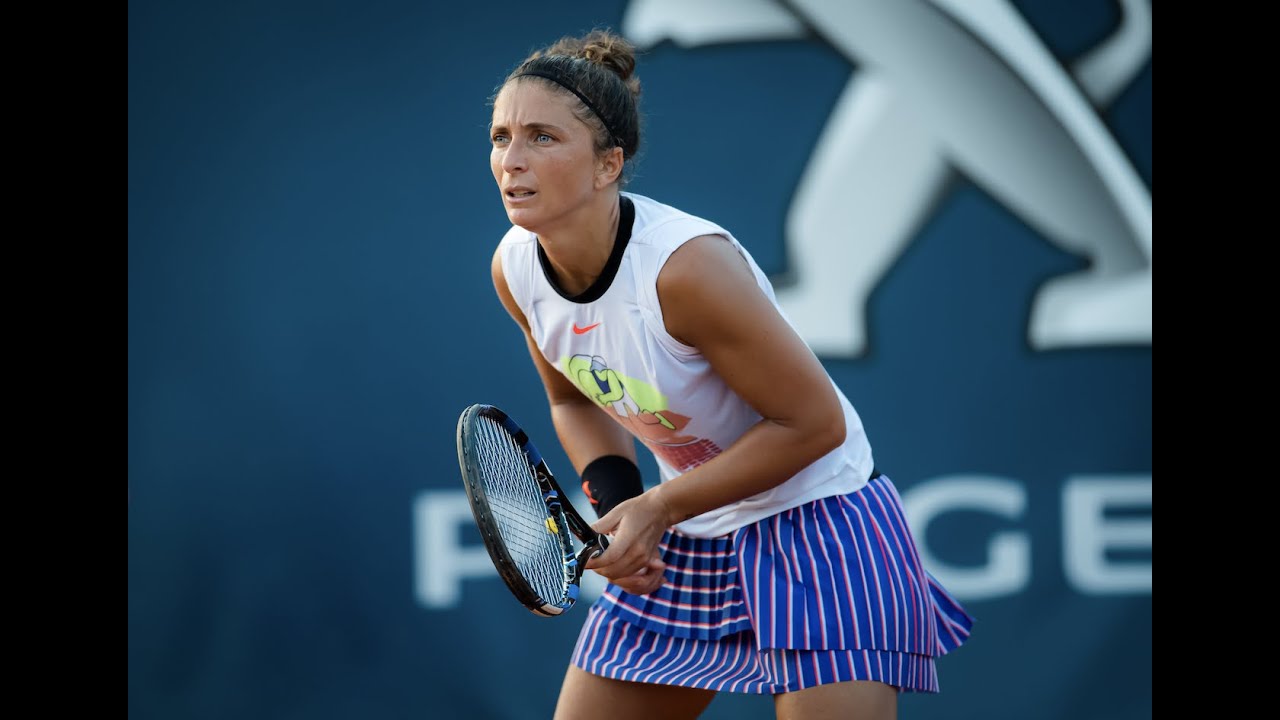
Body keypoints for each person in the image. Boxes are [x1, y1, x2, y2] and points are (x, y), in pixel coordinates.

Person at [486, 29, 973, 720]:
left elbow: (813, 424)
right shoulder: (516, 270)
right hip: (689, 529)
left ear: (607, 165)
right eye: (501, 136)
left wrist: (659, 509)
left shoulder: (686, 270)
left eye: (542, 137)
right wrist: (621, 501)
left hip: (822, 527)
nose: (512, 159)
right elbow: (573, 398)